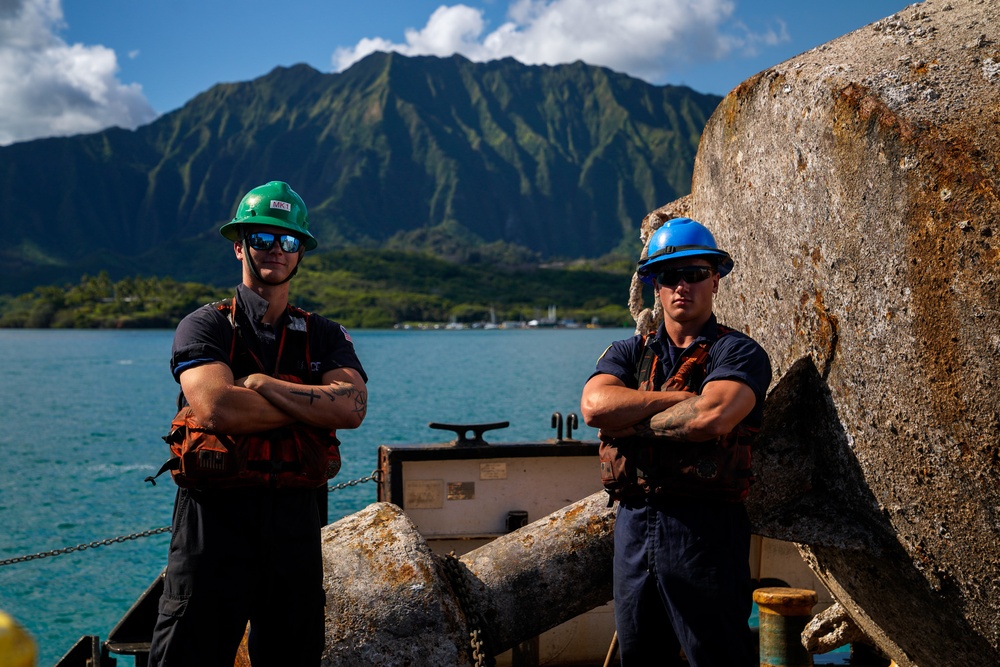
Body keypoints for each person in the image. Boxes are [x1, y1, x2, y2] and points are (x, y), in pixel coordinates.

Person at [148, 181, 368, 667]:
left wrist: (265, 385)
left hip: (296, 523)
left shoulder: (323, 334)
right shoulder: (205, 326)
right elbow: (216, 409)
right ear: (239, 245)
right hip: (212, 525)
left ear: (300, 252)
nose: (276, 249)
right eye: (263, 238)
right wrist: (313, 404)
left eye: (288, 240)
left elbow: (351, 408)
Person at [580, 217, 771, 667]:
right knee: (641, 656)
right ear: (655, 286)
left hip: (706, 532)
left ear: (715, 280)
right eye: (669, 276)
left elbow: (710, 417)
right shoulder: (628, 353)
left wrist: (629, 421)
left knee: (717, 656)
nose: (682, 285)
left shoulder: (738, 353)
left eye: (695, 273)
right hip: (633, 528)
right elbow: (594, 407)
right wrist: (677, 400)